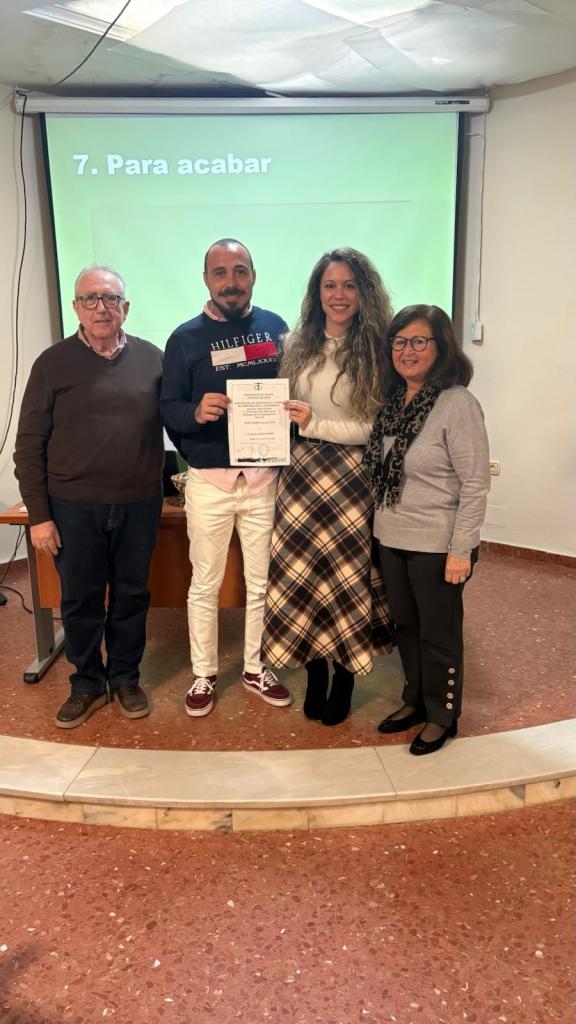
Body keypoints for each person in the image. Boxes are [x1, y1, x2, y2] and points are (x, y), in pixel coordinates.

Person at [14, 265, 165, 728]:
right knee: (80, 599)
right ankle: (86, 683)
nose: (101, 308)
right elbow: (29, 445)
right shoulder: (52, 363)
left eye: (110, 298)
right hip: (73, 507)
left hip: (139, 502)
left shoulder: (153, 359)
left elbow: (178, 418)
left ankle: (125, 678)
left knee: (131, 596)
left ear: (126, 307)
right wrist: (39, 516)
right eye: (90, 299)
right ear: (76, 307)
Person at [261, 248, 394, 726]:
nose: (339, 295)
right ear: (317, 293)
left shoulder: (378, 349)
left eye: (348, 286)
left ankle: (345, 677)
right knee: (302, 580)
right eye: (330, 285)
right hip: (300, 477)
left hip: (350, 481)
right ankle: (315, 672)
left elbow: (374, 427)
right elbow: (281, 409)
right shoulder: (295, 344)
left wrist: (315, 424)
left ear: (364, 293)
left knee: (343, 582)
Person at [160, 238, 292, 717]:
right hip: (209, 482)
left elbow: (292, 389)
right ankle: (204, 673)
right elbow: (168, 407)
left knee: (262, 584)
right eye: (220, 273)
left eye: (239, 271)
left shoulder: (276, 328)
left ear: (253, 276)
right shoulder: (184, 338)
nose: (230, 282)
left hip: (263, 479)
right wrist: (196, 412)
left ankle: (256, 668)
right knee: (205, 584)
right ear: (206, 280)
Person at [363, 304, 490, 755]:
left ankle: (442, 715)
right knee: (406, 626)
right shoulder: (394, 402)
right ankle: (415, 699)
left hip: (438, 544)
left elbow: (475, 484)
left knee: (438, 634)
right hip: (392, 538)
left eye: (419, 341)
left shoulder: (457, 404)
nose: (407, 350)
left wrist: (461, 549)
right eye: (399, 342)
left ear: (441, 347)